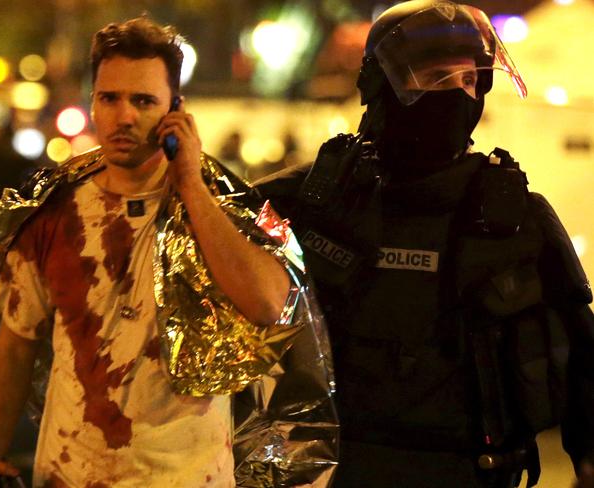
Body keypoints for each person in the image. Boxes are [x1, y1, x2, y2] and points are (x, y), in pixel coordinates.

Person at [254, 1, 594, 487]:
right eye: (435, 77)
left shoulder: (515, 216)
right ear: (382, 87)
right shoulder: (314, 201)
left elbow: (584, 357)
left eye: (469, 80)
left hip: (467, 471)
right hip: (333, 470)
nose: (456, 94)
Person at [0, 17, 300, 488]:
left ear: (175, 110)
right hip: (72, 475)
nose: (124, 116)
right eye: (110, 98)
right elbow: (13, 348)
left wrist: (189, 185)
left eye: (143, 101)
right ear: (94, 104)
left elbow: (270, 303)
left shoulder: (216, 206)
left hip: (189, 476)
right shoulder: (56, 215)